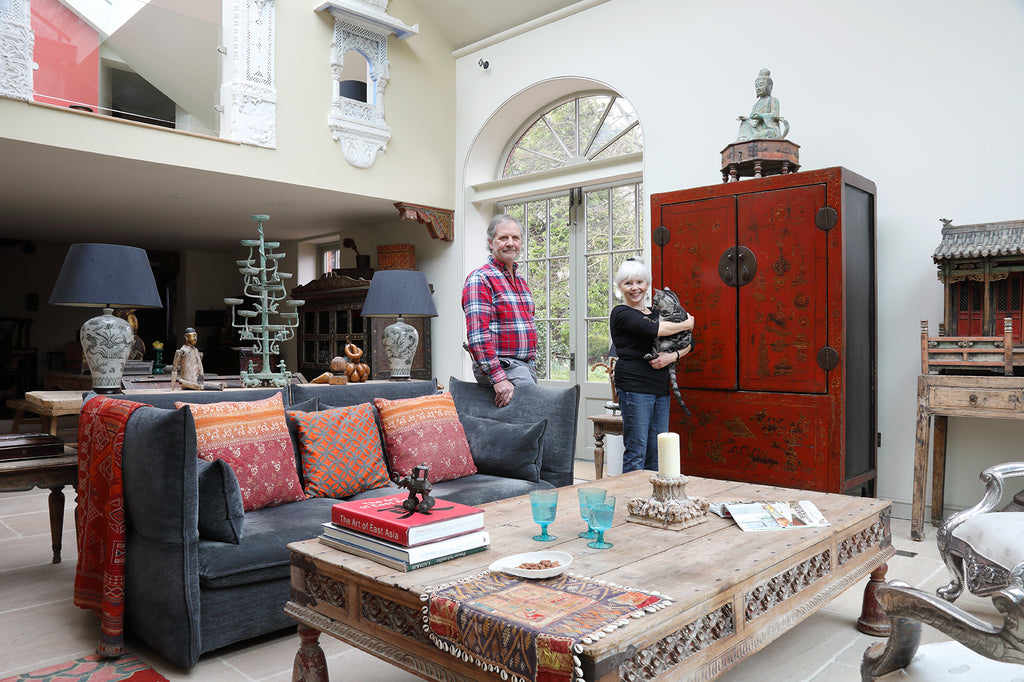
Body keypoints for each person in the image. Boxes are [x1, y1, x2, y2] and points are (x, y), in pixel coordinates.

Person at [609, 259, 695, 473]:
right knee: (637, 450)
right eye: (628, 283)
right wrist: (687, 323)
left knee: (658, 451)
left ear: (647, 284)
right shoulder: (621, 313)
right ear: (620, 287)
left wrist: (672, 356)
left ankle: (652, 503)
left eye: (640, 282)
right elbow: (651, 330)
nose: (635, 288)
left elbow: (691, 342)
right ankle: (631, 503)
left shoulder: (657, 314)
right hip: (634, 385)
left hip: (659, 386)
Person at [462, 214, 537, 407]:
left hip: (524, 367)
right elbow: (477, 336)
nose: (510, 243)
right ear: (491, 242)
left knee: (530, 422)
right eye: (503, 238)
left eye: (515, 238)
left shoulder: (520, 281)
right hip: (502, 365)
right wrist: (498, 379)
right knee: (533, 412)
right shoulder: (481, 279)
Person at [736, 68, 787, 141]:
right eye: (756, 86)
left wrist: (761, 116)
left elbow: (774, 115)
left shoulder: (773, 100)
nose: (758, 88)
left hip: (770, 129)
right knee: (745, 123)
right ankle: (742, 139)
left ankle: (750, 138)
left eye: (761, 85)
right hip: (757, 128)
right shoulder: (756, 105)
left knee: (757, 135)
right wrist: (747, 118)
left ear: (769, 86)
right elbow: (753, 120)